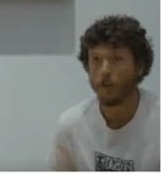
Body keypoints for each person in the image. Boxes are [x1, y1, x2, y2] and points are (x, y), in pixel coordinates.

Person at [52, 15, 159, 171]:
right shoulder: (71, 126)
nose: (105, 70)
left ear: (139, 66)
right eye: (96, 59)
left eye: (116, 59)